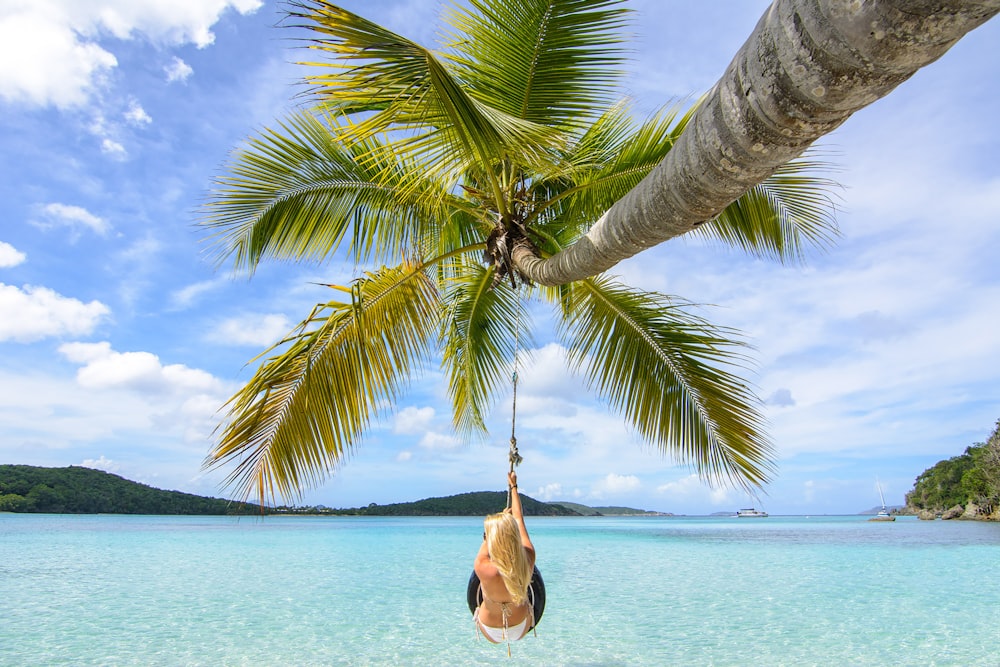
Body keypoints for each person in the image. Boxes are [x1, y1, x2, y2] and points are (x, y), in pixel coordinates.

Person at [473, 470, 536, 649]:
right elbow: (519, 520)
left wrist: (495, 528)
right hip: (520, 626)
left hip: (489, 628)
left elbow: (487, 541)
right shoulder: (528, 558)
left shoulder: (482, 566)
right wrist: (514, 487)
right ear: (513, 536)